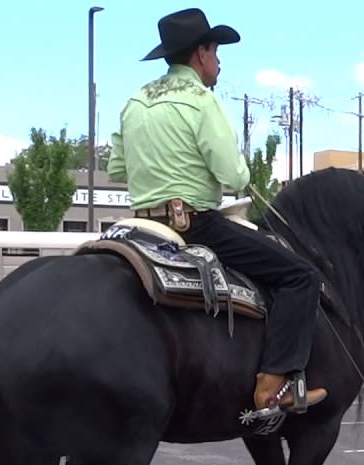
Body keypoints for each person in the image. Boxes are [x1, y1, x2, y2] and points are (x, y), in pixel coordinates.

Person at [107, 8, 326, 414]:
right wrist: (237, 173)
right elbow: (234, 174)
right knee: (300, 275)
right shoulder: (200, 101)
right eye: (217, 50)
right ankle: (273, 385)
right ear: (201, 53)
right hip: (193, 225)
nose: (220, 60)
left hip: (137, 226)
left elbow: (117, 168)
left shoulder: (134, 101)